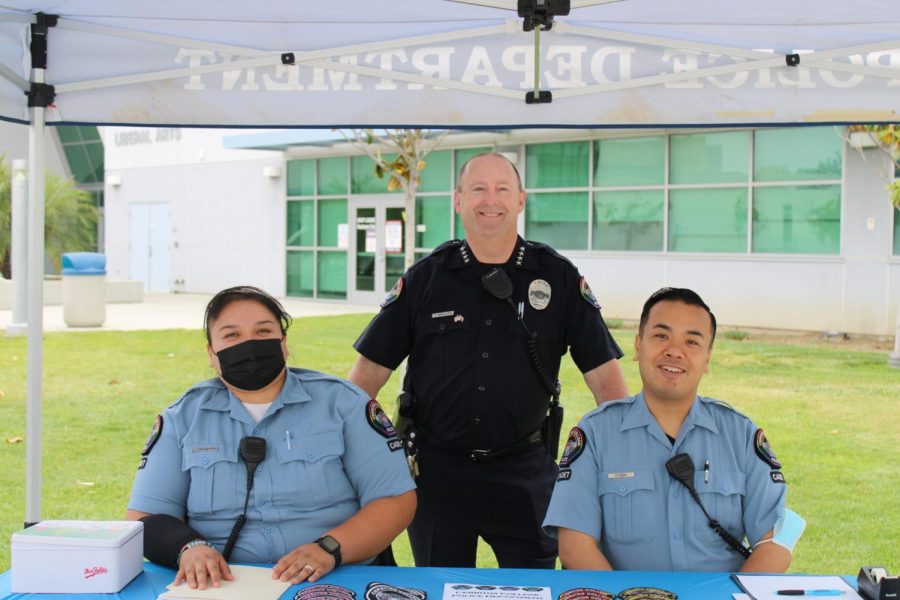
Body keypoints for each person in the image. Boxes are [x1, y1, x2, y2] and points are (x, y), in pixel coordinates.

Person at [349, 152, 628, 569]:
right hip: (438, 474)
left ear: (520, 200)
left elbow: (605, 379)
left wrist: (626, 458)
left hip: (524, 472)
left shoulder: (558, 278)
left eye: (502, 189)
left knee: (531, 592)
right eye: (478, 189)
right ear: (458, 200)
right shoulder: (427, 277)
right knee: (439, 589)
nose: (489, 199)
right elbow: (366, 377)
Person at [126, 286, 416, 590]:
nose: (249, 345)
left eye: (263, 331)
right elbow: (146, 517)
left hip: (334, 577)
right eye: (232, 336)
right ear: (211, 354)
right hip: (222, 586)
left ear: (283, 343)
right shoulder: (182, 418)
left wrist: (330, 548)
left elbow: (394, 499)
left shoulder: (344, 404)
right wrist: (189, 548)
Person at [543, 287, 805, 572]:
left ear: (707, 359)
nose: (674, 351)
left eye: (692, 342)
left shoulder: (740, 435)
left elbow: (774, 545)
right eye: (661, 336)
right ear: (638, 346)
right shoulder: (595, 434)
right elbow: (575, 547)